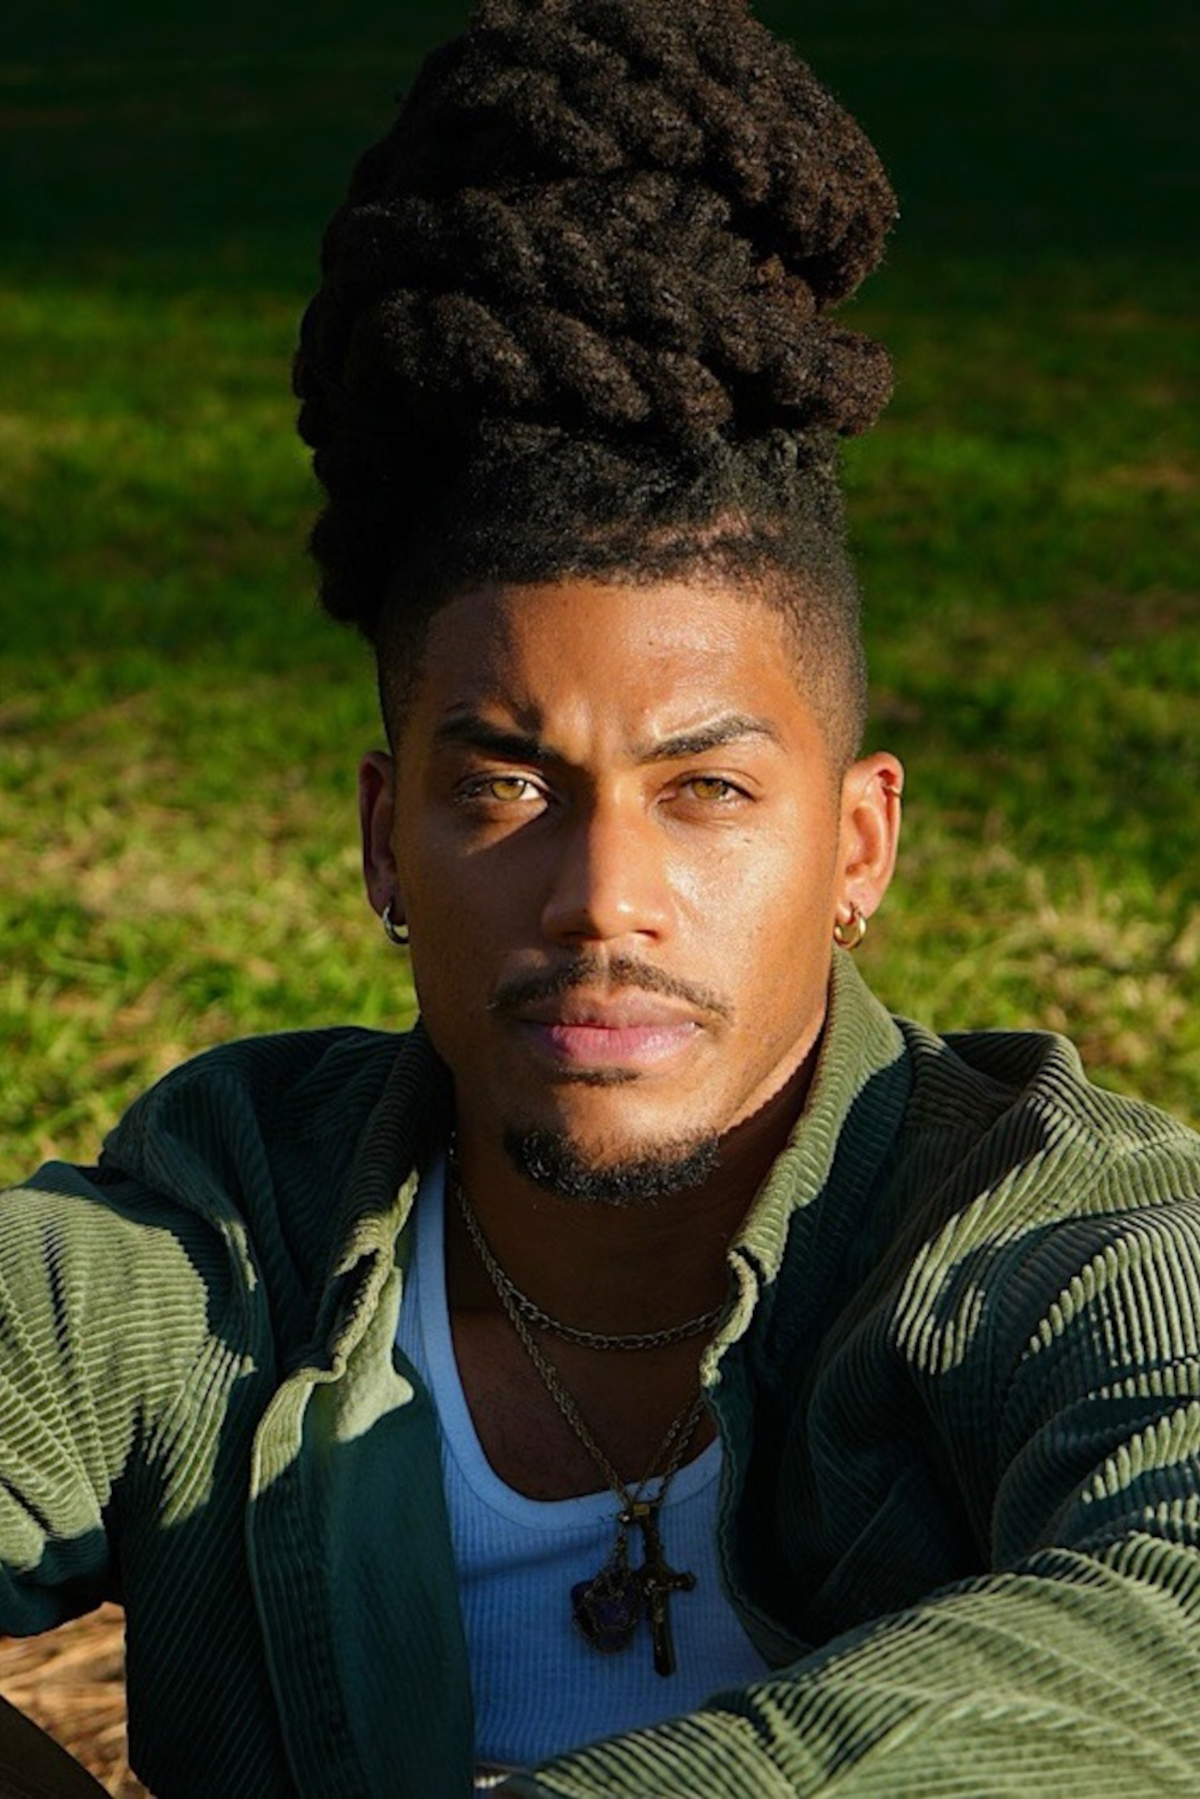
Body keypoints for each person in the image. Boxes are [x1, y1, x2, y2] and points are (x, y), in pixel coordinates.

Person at [3, 1, 1200, 1794]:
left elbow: (1168, 1606)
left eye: (706, 788)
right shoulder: (225, 1231)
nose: (602, 894)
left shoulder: (1060, 1238)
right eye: (503, 787)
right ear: (383, 836)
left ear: (860, 843)